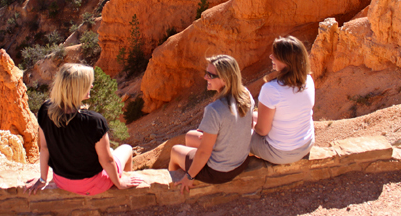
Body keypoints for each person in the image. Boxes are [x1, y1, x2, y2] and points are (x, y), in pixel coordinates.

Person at [24, 63, 142, 196]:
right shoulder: (94, 121)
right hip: (92, 184)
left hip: (62, 181)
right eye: (87, 83)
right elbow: (107, 161)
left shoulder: (45, 110)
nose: (91, 86)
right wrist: (119, 183)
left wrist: (42, 179)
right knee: (126, 148)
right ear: (77, 89)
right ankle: (126, 189)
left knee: (108, 151)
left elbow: (45, 148)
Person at [169, 55, 254, 194]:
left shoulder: (214, 110)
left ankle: (175, 189)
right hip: (241, 163)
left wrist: (190, 176)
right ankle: (193, 163)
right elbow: (245, 127)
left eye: (210, 75)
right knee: (190, 136)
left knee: (175, 151)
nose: (205, 77)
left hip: (218, 172)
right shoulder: (246, 95)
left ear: (225, 79)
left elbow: (204, 152)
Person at [251, 36, 315, 164]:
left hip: (281, 153)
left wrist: (252, 127)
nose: (271, 57)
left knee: (236, 130)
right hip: (306, 144)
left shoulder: (271, 89)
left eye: (275, 55)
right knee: (251, 116)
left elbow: (263, 131)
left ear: (286, 61)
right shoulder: (308, 80)